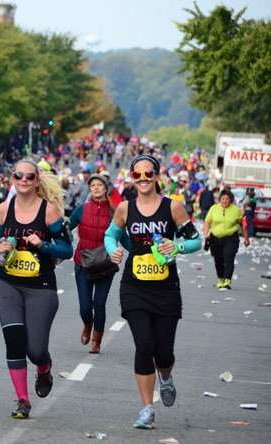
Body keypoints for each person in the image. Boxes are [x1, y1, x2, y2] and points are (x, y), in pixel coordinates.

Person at [105, 154, 201, 429]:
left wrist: (177, 247)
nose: (143, 178)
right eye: (137, 175)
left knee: (164, 354)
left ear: (157, 176)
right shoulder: (124, 208)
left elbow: (195, 240)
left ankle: (166, 378)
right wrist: (115, 251)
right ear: (132, 178)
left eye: (148, 173)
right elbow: (111, 235)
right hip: (134, 285)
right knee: (144, 345)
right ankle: (147, 408)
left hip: (166, 288)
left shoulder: (173, 208)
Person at [0, 160, 73, 419]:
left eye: (29, 176)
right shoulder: (2, 210)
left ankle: (43, 368)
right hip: (7, 283)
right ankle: (22, 400)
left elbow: (68, 250)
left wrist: (44, 244)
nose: (23, 179)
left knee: (35, 350)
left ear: (37, 180)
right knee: (14, 340)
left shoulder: (50, 213)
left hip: (41, 286)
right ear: (12, 178)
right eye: (18, 175)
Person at [70, 174, 127, 354]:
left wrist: (142, 251)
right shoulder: (81, 209)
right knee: (85, 307)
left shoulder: (115, 212)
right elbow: (63, 230)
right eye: (92, 185)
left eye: (99, 185)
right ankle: (88, 325)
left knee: (99, 303)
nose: (95, 188)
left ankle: (97, 340)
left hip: (105, 264)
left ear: (106, 188)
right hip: (83, 263)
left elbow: (124, 238)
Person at [203, 188, 250, 290]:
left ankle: (227, 280)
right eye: (223, 199)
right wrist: (206, 234)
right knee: (218, 259)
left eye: (227, 199)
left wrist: (246, 238)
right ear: (220, 199)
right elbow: (207, 221)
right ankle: (221, 278)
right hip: (215, 238)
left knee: (229, 256)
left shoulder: (236, 210)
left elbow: (244, 224)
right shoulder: (214, 208)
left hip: (231, 238)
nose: (225, 201)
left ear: (231, 200)